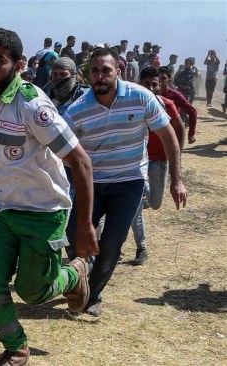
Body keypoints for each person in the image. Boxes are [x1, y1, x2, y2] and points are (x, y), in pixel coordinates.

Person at [0, 28, 98, 366]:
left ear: (18, 65)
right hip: (2, 210)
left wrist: (84, 225)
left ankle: (74, 274)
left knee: (33, 292)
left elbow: (80, 161)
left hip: (44, 211)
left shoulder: (31, 103)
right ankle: (16, 347)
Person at [63, 48, 187, 317]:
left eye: (106, 70)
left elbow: (169, 137)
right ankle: (84, 273)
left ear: (118, 72)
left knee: (111, 246)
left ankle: (91, 296)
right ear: (88, 74)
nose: (100, 76)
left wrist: (176, 180)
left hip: (129, 182)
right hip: (91, 184)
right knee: (74, 237)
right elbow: (62, 152)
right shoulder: (77, 110)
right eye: (94, 71)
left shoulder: (141, 97)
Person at [129, 67, 186, 264]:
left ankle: (142, 193)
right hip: (137, 162)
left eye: (155, 84)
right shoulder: (131, 105)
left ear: (161, 85)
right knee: (135, 202)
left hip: (159, 161)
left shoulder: (167, 104)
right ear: (140, 83)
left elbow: (179, 130)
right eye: (147, 84)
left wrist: (177, 157)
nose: (151, 88)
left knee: (155, 203)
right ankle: (141, 247)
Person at [158, 66, 198, 145]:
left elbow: (192, 111)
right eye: (158, 77)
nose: (160, 81)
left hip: (171, 132)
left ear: (170, 79)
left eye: (163, 78)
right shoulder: (149, 94)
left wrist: (191, 133)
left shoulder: (175, 95)